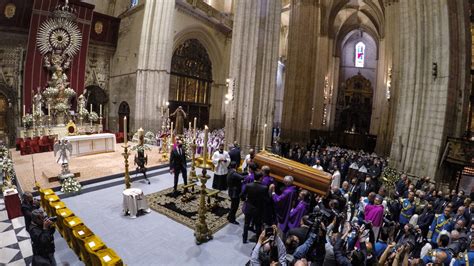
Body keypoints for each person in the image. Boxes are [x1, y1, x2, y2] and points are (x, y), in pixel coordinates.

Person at [241, 171, 269, 243]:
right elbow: (266, 200)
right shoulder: (264, 188)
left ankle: (244, 239)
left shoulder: (248, 185)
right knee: (258, 226)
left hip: (249, 207)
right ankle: (257, 241)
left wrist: (245, 200)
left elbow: (242, 195)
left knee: (246, 224)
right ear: (260, 178)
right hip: (258, 209)